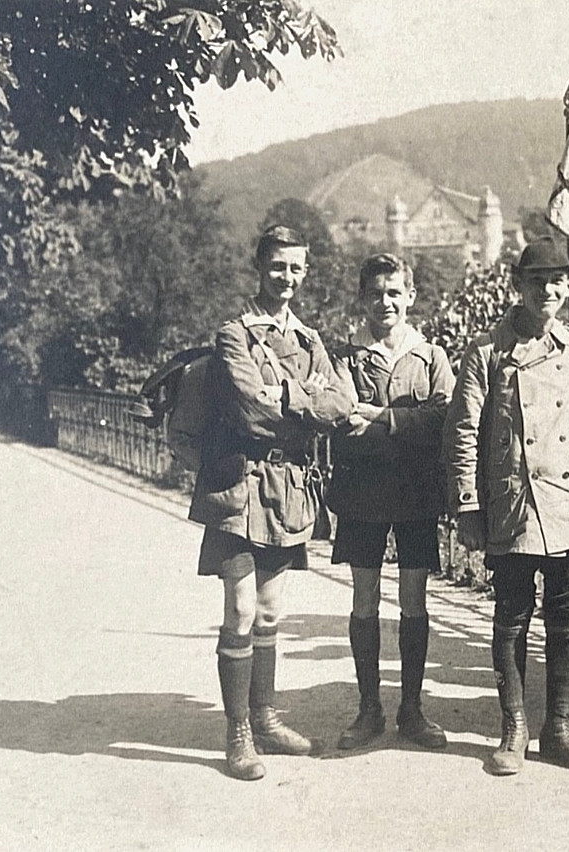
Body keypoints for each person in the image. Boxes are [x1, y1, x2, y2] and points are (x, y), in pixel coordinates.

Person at [443, 237, 569, 775]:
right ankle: (514, 729)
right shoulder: (487, 350)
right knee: (511, 615)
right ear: (518, 285)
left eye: (558, 281)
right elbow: (463, 431)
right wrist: (467, 505)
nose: (547, 291)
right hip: (515, 501)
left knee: (567, 614)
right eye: (537, 281)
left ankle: (559, 730)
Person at [188, 224, 353, 781]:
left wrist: (286, 396)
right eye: (278, 266)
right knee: (238, 609)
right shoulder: (233, 334)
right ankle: (238, 733)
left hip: (286, 489)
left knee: (270, 609)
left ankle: (265, 717)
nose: (287, 277)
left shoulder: (310, 341)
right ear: (259, 267)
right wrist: (305, 401)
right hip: (236, 485)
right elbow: (249, 409)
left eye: (296, 268)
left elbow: (343, 404)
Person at [327, 253, 455, 752]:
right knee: (364, 597)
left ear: (411, 297)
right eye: (376, 293)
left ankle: (412, 710)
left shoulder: (430, 356)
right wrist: (406, 427)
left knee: (414, 598)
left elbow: (443, 417)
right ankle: (369, 709)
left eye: (395, 292)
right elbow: (343, 421)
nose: (386, 302)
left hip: (417, 492)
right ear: (363, 299)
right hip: (362, 493)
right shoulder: (346, 358)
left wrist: (379, 416)